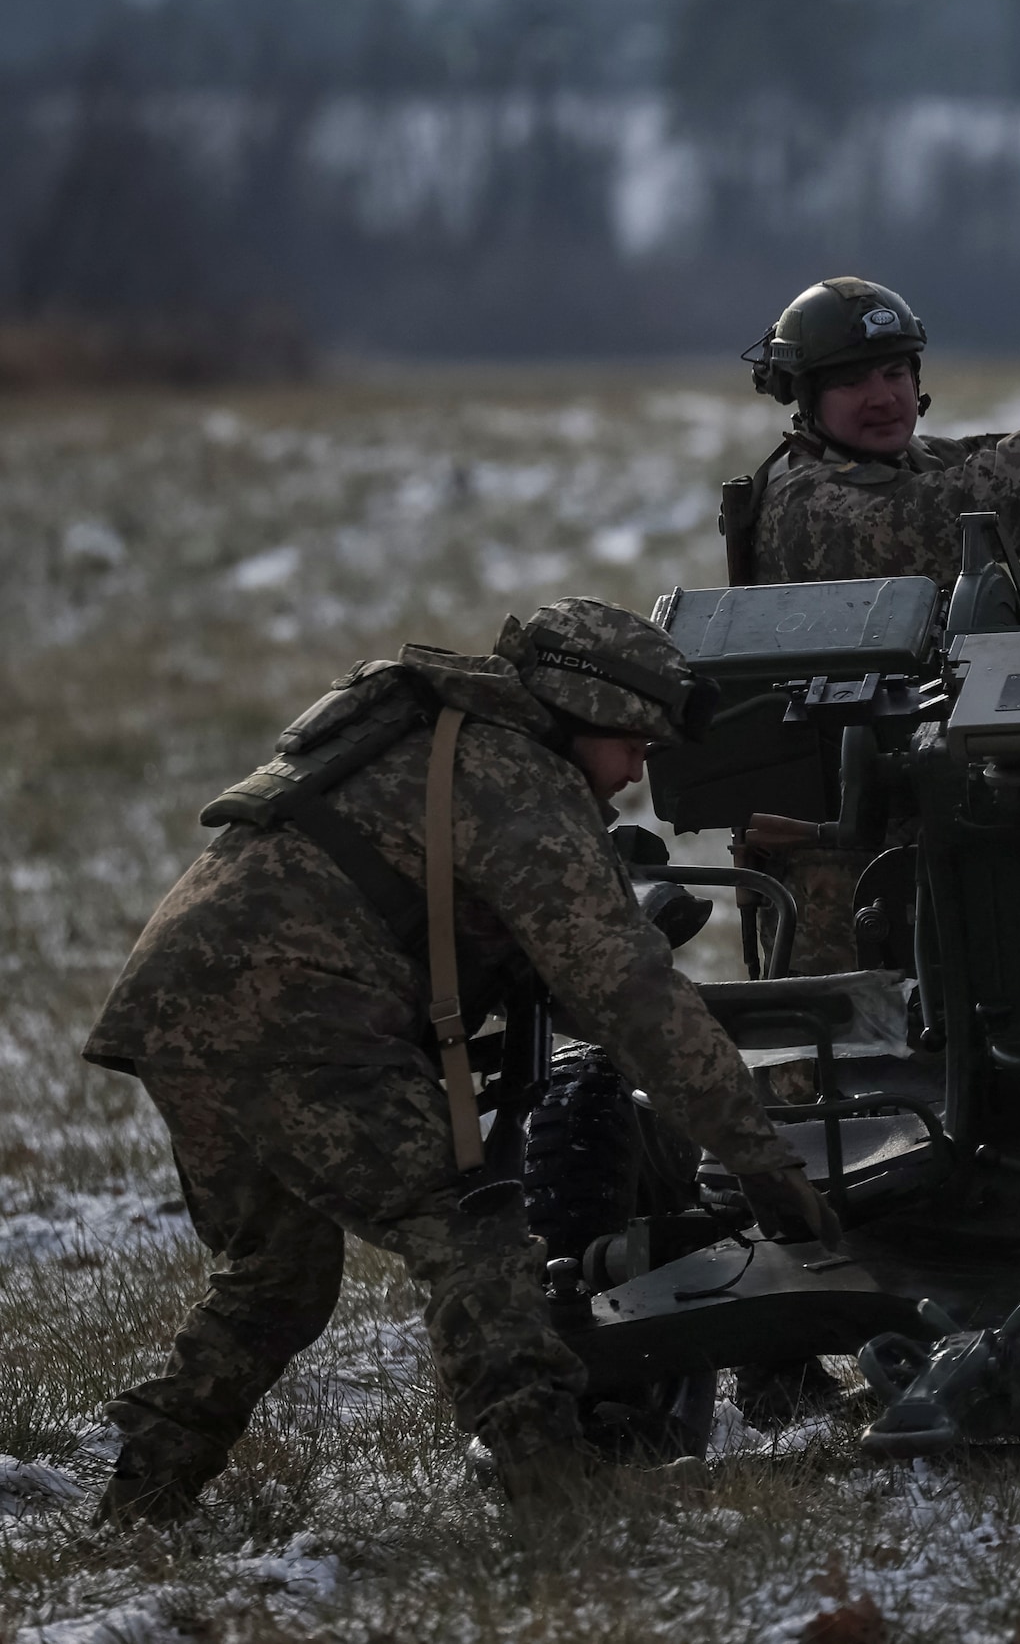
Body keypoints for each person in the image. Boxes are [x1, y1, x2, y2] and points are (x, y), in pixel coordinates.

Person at [82, 599, 832, 1529]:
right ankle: (556, 1498)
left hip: (176, 1006)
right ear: (578, 711)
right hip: (298, 1014)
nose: (640, 768)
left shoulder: (443, 739)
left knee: (274, 1281)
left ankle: (140, 1503)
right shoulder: (517, 779)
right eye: (634, 742)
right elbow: (631, 994)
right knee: (471, 1236)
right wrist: (759, 1158)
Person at [723, 276, 1020, 976]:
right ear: (805, 397)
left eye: (895, 372)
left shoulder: (911, 463)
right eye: (852, 381)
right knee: (852, 1060)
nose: (883, 397)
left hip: (938, 807)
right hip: (844, 861)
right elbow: (940, 521)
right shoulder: (803, 500)